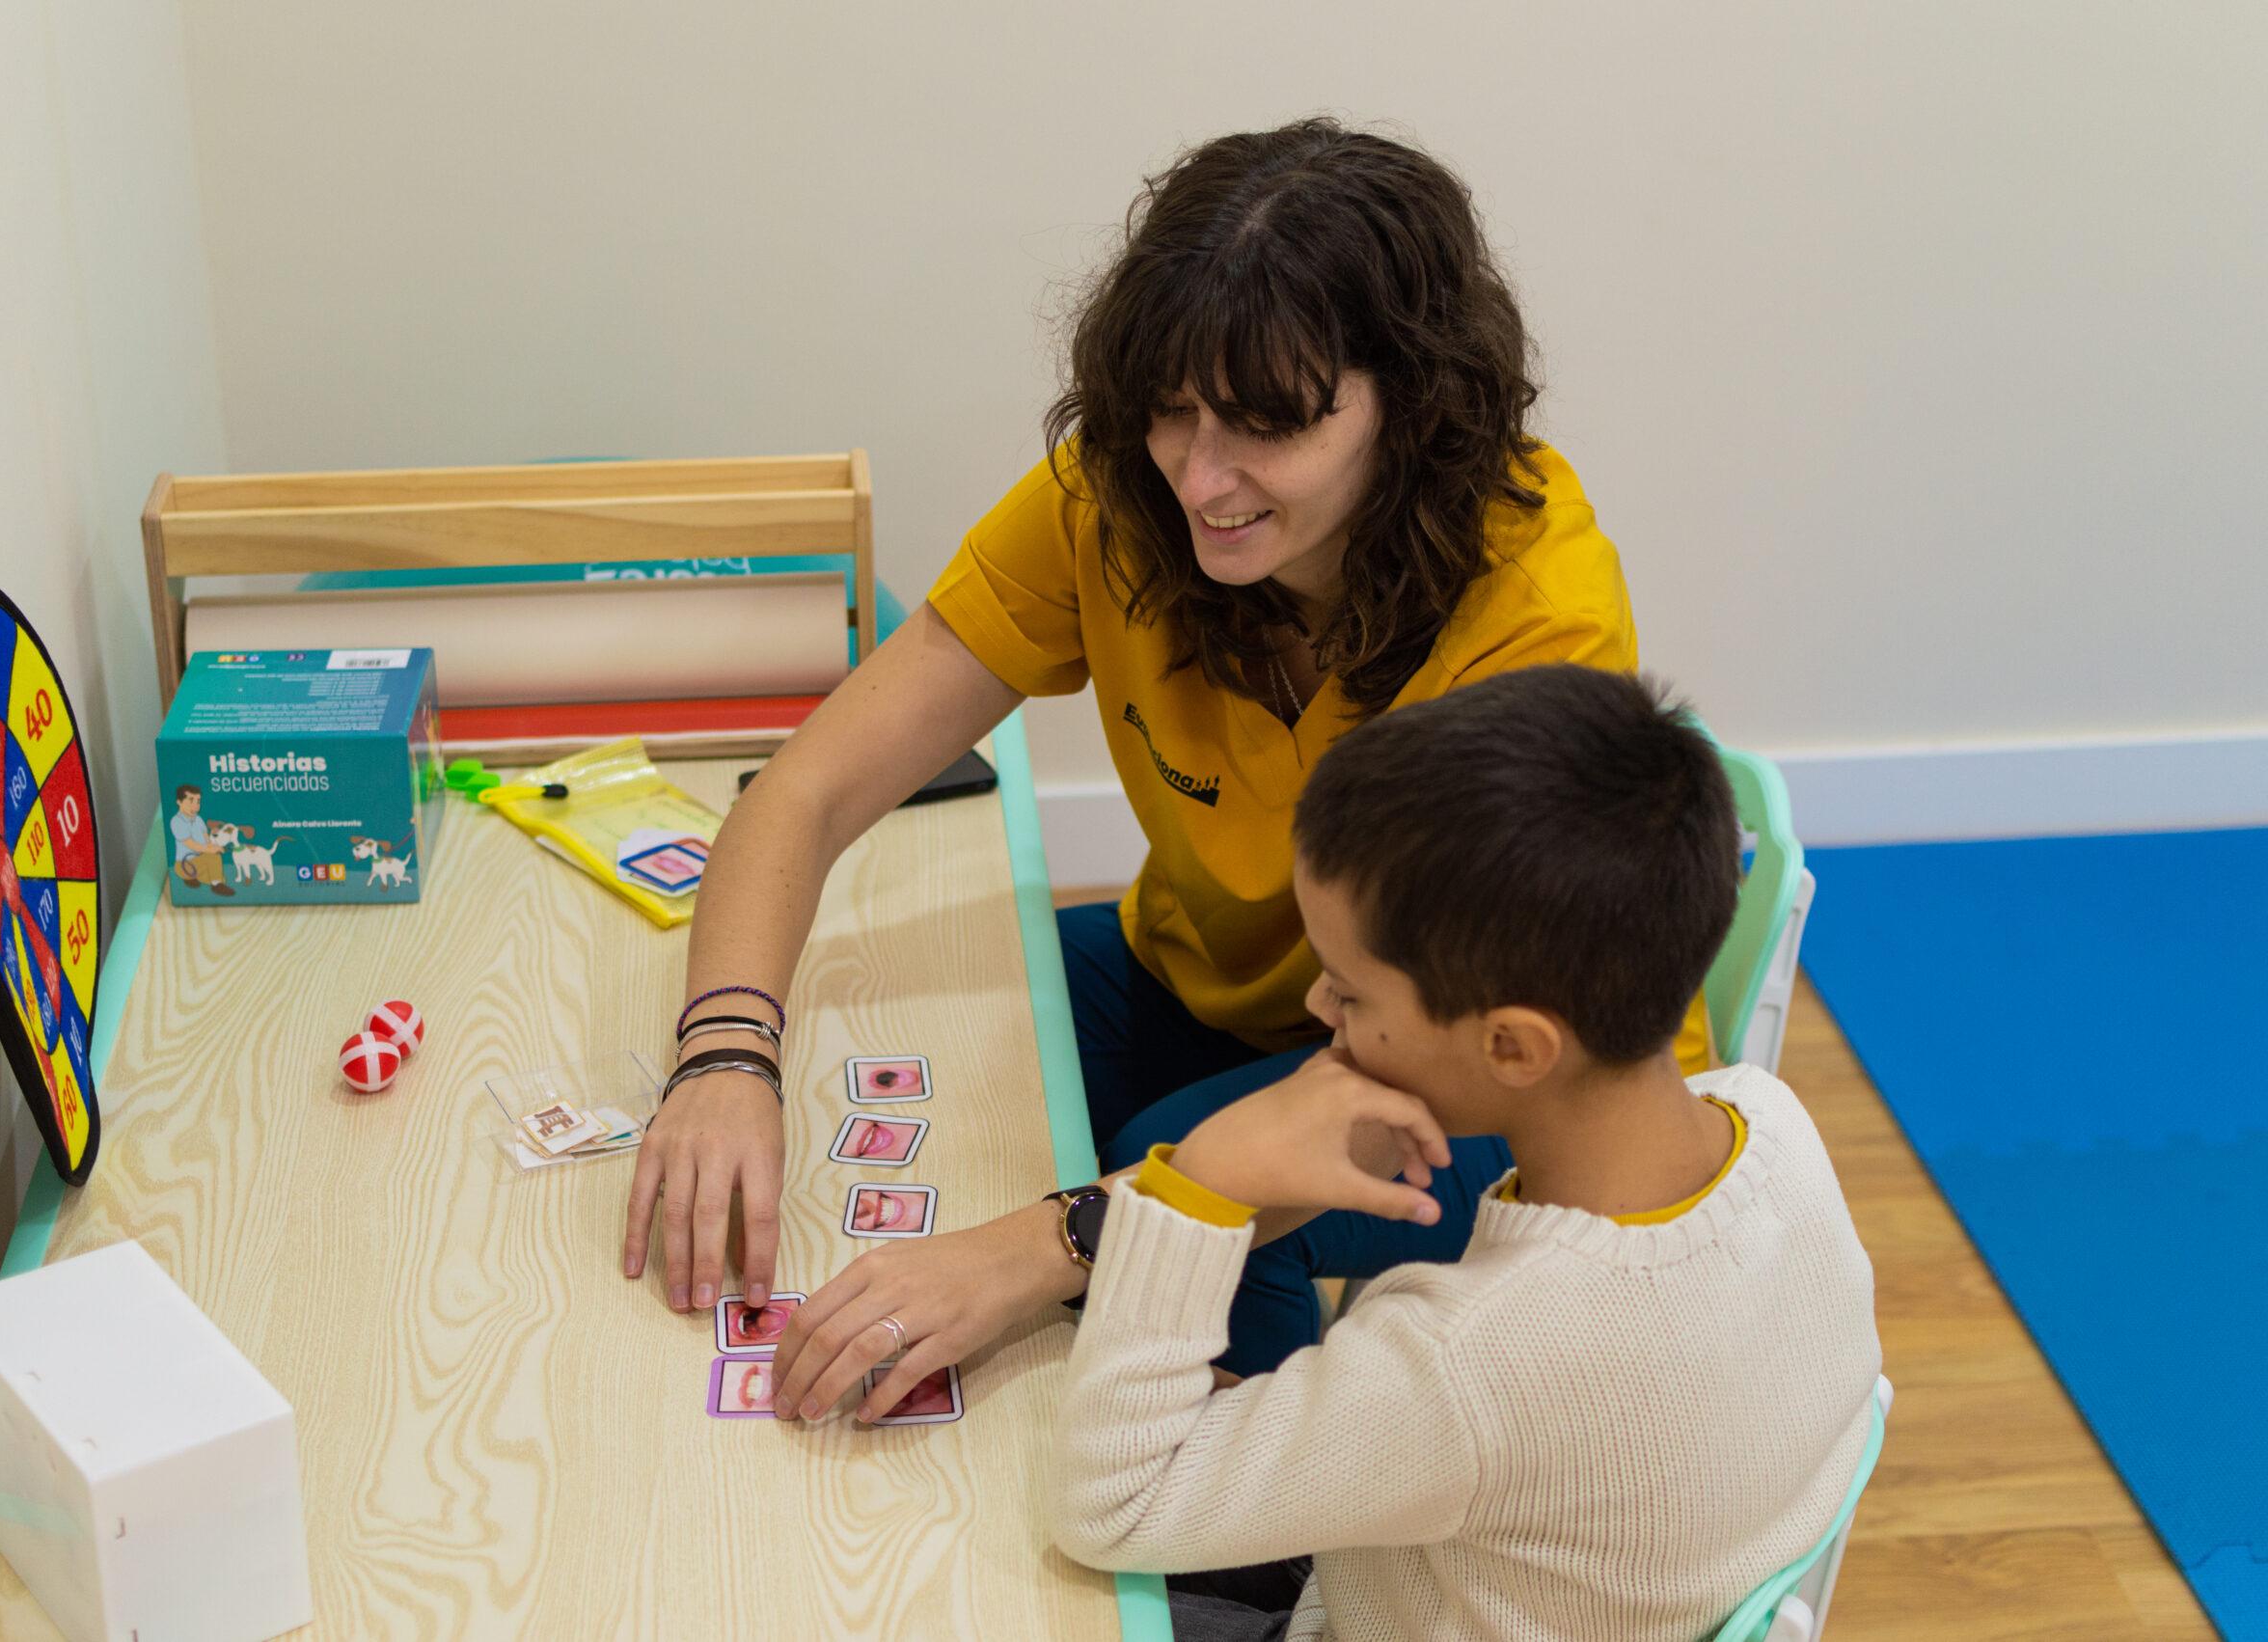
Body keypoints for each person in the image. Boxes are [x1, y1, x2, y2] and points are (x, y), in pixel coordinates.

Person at [624, 117, 1708, 1418]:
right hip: (1208, 983)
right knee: (944, 1021)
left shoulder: (1538, 616)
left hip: (1480, 1083)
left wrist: (1039, 1246)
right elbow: (810, 785)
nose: (1203, 479)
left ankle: (1240, 1582)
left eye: (1268, 426)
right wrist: (723, 1059)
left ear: (1410, 406)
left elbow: (1406, 1065)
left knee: (1163, 1180)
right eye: (1171, 411)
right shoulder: (1109, 499)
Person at [1047, 665, 1882, 1641]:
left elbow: (1109, 1508)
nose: (1318, 1010)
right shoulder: (1767, 1116)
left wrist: (1202, 1181)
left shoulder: (1465, 1357)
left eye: (1350, 994)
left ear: (1513, 1047)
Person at [168, 784, 233, 897]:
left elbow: (206, 840)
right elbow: (191, 844)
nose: (196, 806)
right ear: (179, 802)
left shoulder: (199, 819)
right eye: (191, 801)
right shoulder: (176, 821)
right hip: (184, 864)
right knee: (214, 857)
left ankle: (200, 878)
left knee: (222, 878)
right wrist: (211, 850)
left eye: (198, 801)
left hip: (201, 861)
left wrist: (213, 842)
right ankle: (214, 884)